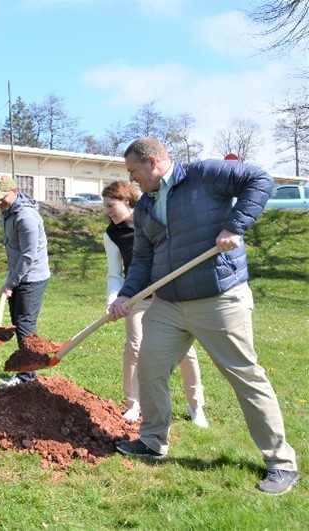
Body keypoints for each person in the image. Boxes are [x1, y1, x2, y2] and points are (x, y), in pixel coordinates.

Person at [108, 137, 300, 495]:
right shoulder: (147, 207)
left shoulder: (204, 174)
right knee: (149, 368)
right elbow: (144, 261)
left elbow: (260, 179)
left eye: (134, 171)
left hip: (219, 298)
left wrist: (235, 225)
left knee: (245, 376)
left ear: (153, 162)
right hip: (168, 303)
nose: (132, 180)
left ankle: (281, 462)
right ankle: (152, 442)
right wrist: (126, 295)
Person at [101, 181, 208, 427]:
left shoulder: (153, 219)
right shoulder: (112, 234)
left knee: (185, 353)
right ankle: (134, 404)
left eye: (111, 205)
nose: (107, 211)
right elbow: (115, 274)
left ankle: (196, 406)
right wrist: (114, 298)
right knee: (134, 348)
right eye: (105, 207)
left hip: (169, 295)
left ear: (127, 201)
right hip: (136, 298)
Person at [0, 174, 50, 388]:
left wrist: (10, 283)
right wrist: (10, 279)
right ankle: (27, 372)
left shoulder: (26, 217)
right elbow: (13, 252)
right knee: (19, 321)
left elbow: (28, 256)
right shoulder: (7, 213)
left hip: (32, 277)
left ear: (14, 192)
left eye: (2, 197)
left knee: (25, 324)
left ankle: (26, 378)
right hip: (19, 274)